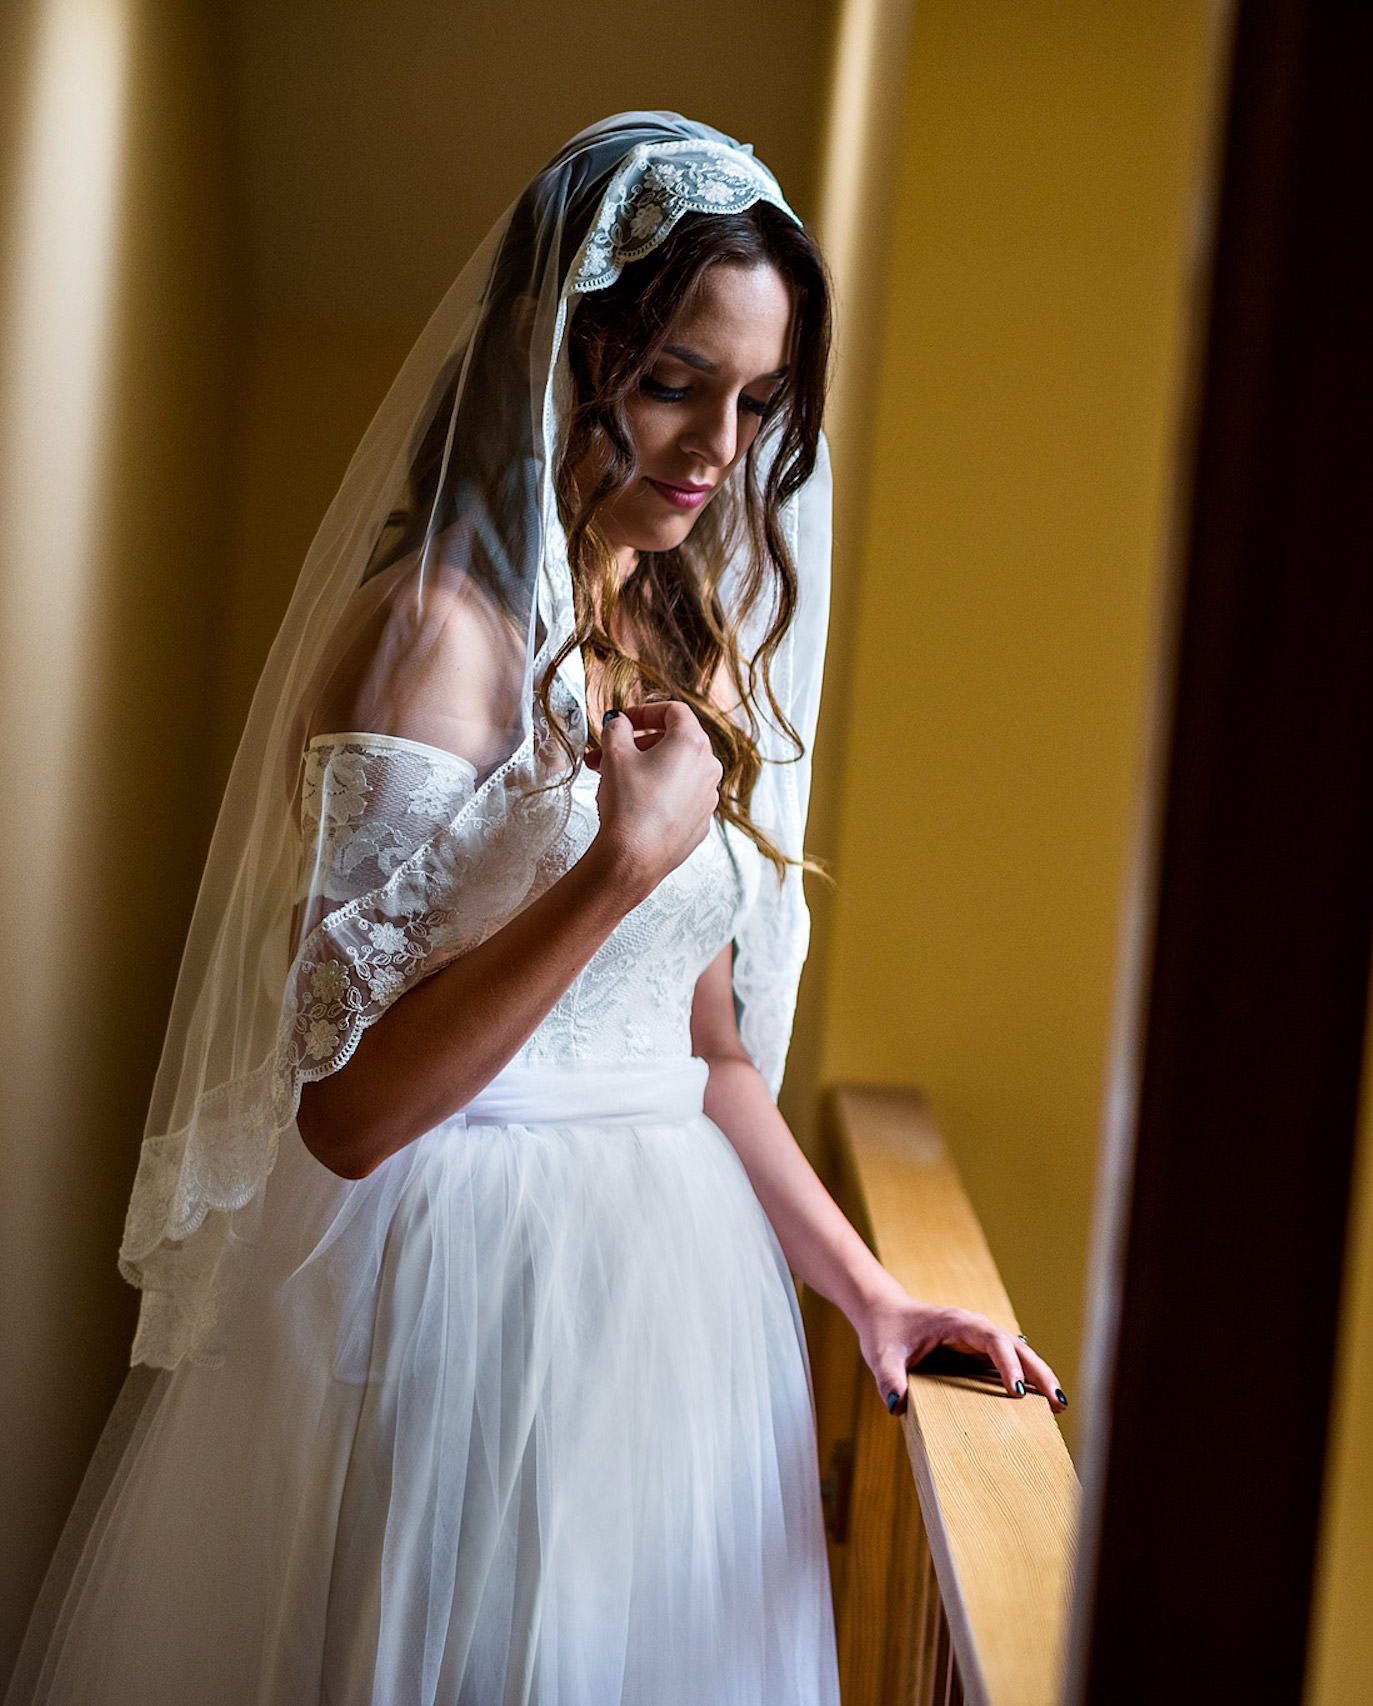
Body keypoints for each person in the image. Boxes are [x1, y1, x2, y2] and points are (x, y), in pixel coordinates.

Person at [7, 114, 1059, 1706]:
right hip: (465, 1296)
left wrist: (868, 1289)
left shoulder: (677, 623)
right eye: (672, 380)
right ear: (555, 350)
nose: (716, 448)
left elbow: (703, 1051)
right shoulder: (436, 638)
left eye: (757, 401)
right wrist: (615, 867)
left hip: (671, 1295)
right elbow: (350, 1109)